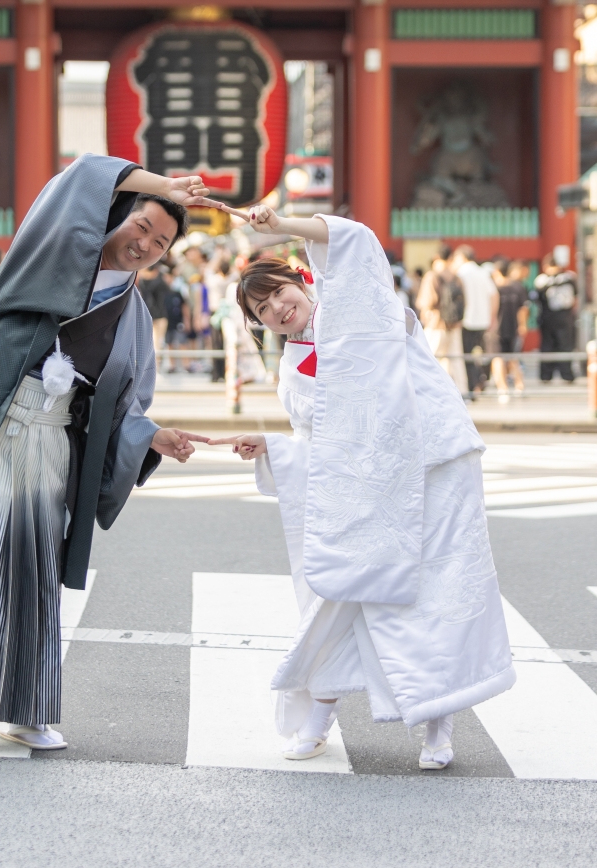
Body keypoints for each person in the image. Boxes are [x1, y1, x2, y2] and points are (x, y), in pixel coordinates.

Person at [0, 157, 217, 753]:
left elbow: (121, 408)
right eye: (143, 227)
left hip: (49, 443)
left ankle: (23, 707)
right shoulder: (52, 254)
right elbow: (82, 175)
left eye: (161, 243)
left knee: (30, 577)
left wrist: (151, 435)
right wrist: (166, 186)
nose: (146, 245)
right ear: (113, 216)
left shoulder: (132, 317)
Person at [212, 204, 514, 771]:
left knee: (435, 595)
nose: (276, 309)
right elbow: (317, 448)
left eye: (278, 292)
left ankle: (436, 726)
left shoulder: (360, 311)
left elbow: (353, 241)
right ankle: (319, 718)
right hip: (367, 491)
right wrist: (272, 447)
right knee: (342, 598)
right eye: (261, 309)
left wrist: (284, 225)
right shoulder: (289, 374)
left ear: (301, 280)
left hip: (434, 466)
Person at [415, 245, 467, 394]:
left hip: (436, 324)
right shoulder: (457, 278)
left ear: (437, 258)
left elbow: (427, 302)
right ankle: (462, 392)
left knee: (430, 357)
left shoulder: (432, 276)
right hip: (455, 324)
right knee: (456, 360)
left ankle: (428, 390)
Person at [450, 245, 498, 397]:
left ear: (462, 257)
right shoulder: (483, 272)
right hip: (483, 320)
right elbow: (494, 295)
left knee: (467, 356)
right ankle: (481, 383)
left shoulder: (460, 273)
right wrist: (492, 317)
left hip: (466, 321)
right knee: (479, 353)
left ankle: (471, 386)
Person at [491, 259, 530, 402]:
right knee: (513, 357)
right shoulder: (517, 287)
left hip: (497, 329)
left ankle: (503, 389)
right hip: (513, 328)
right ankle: (520, 386)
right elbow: (523, 309)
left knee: (498, 358)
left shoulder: (494, 288)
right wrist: (522, 325)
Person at [535, 253, 578, 383]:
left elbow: (575, 294)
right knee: (548, 346)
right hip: (548, 317)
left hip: (564, 315)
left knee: (565, 346)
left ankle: (567, 375)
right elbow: (538, 295)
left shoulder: (568, 277)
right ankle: (546, 375)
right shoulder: (542, 280)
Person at [137, 263, 171, 354]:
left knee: (156, 342)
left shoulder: (141, 276)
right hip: (151, 312)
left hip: (156, 312)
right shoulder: (157, 278)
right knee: (154, 342)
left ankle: (156, 364)